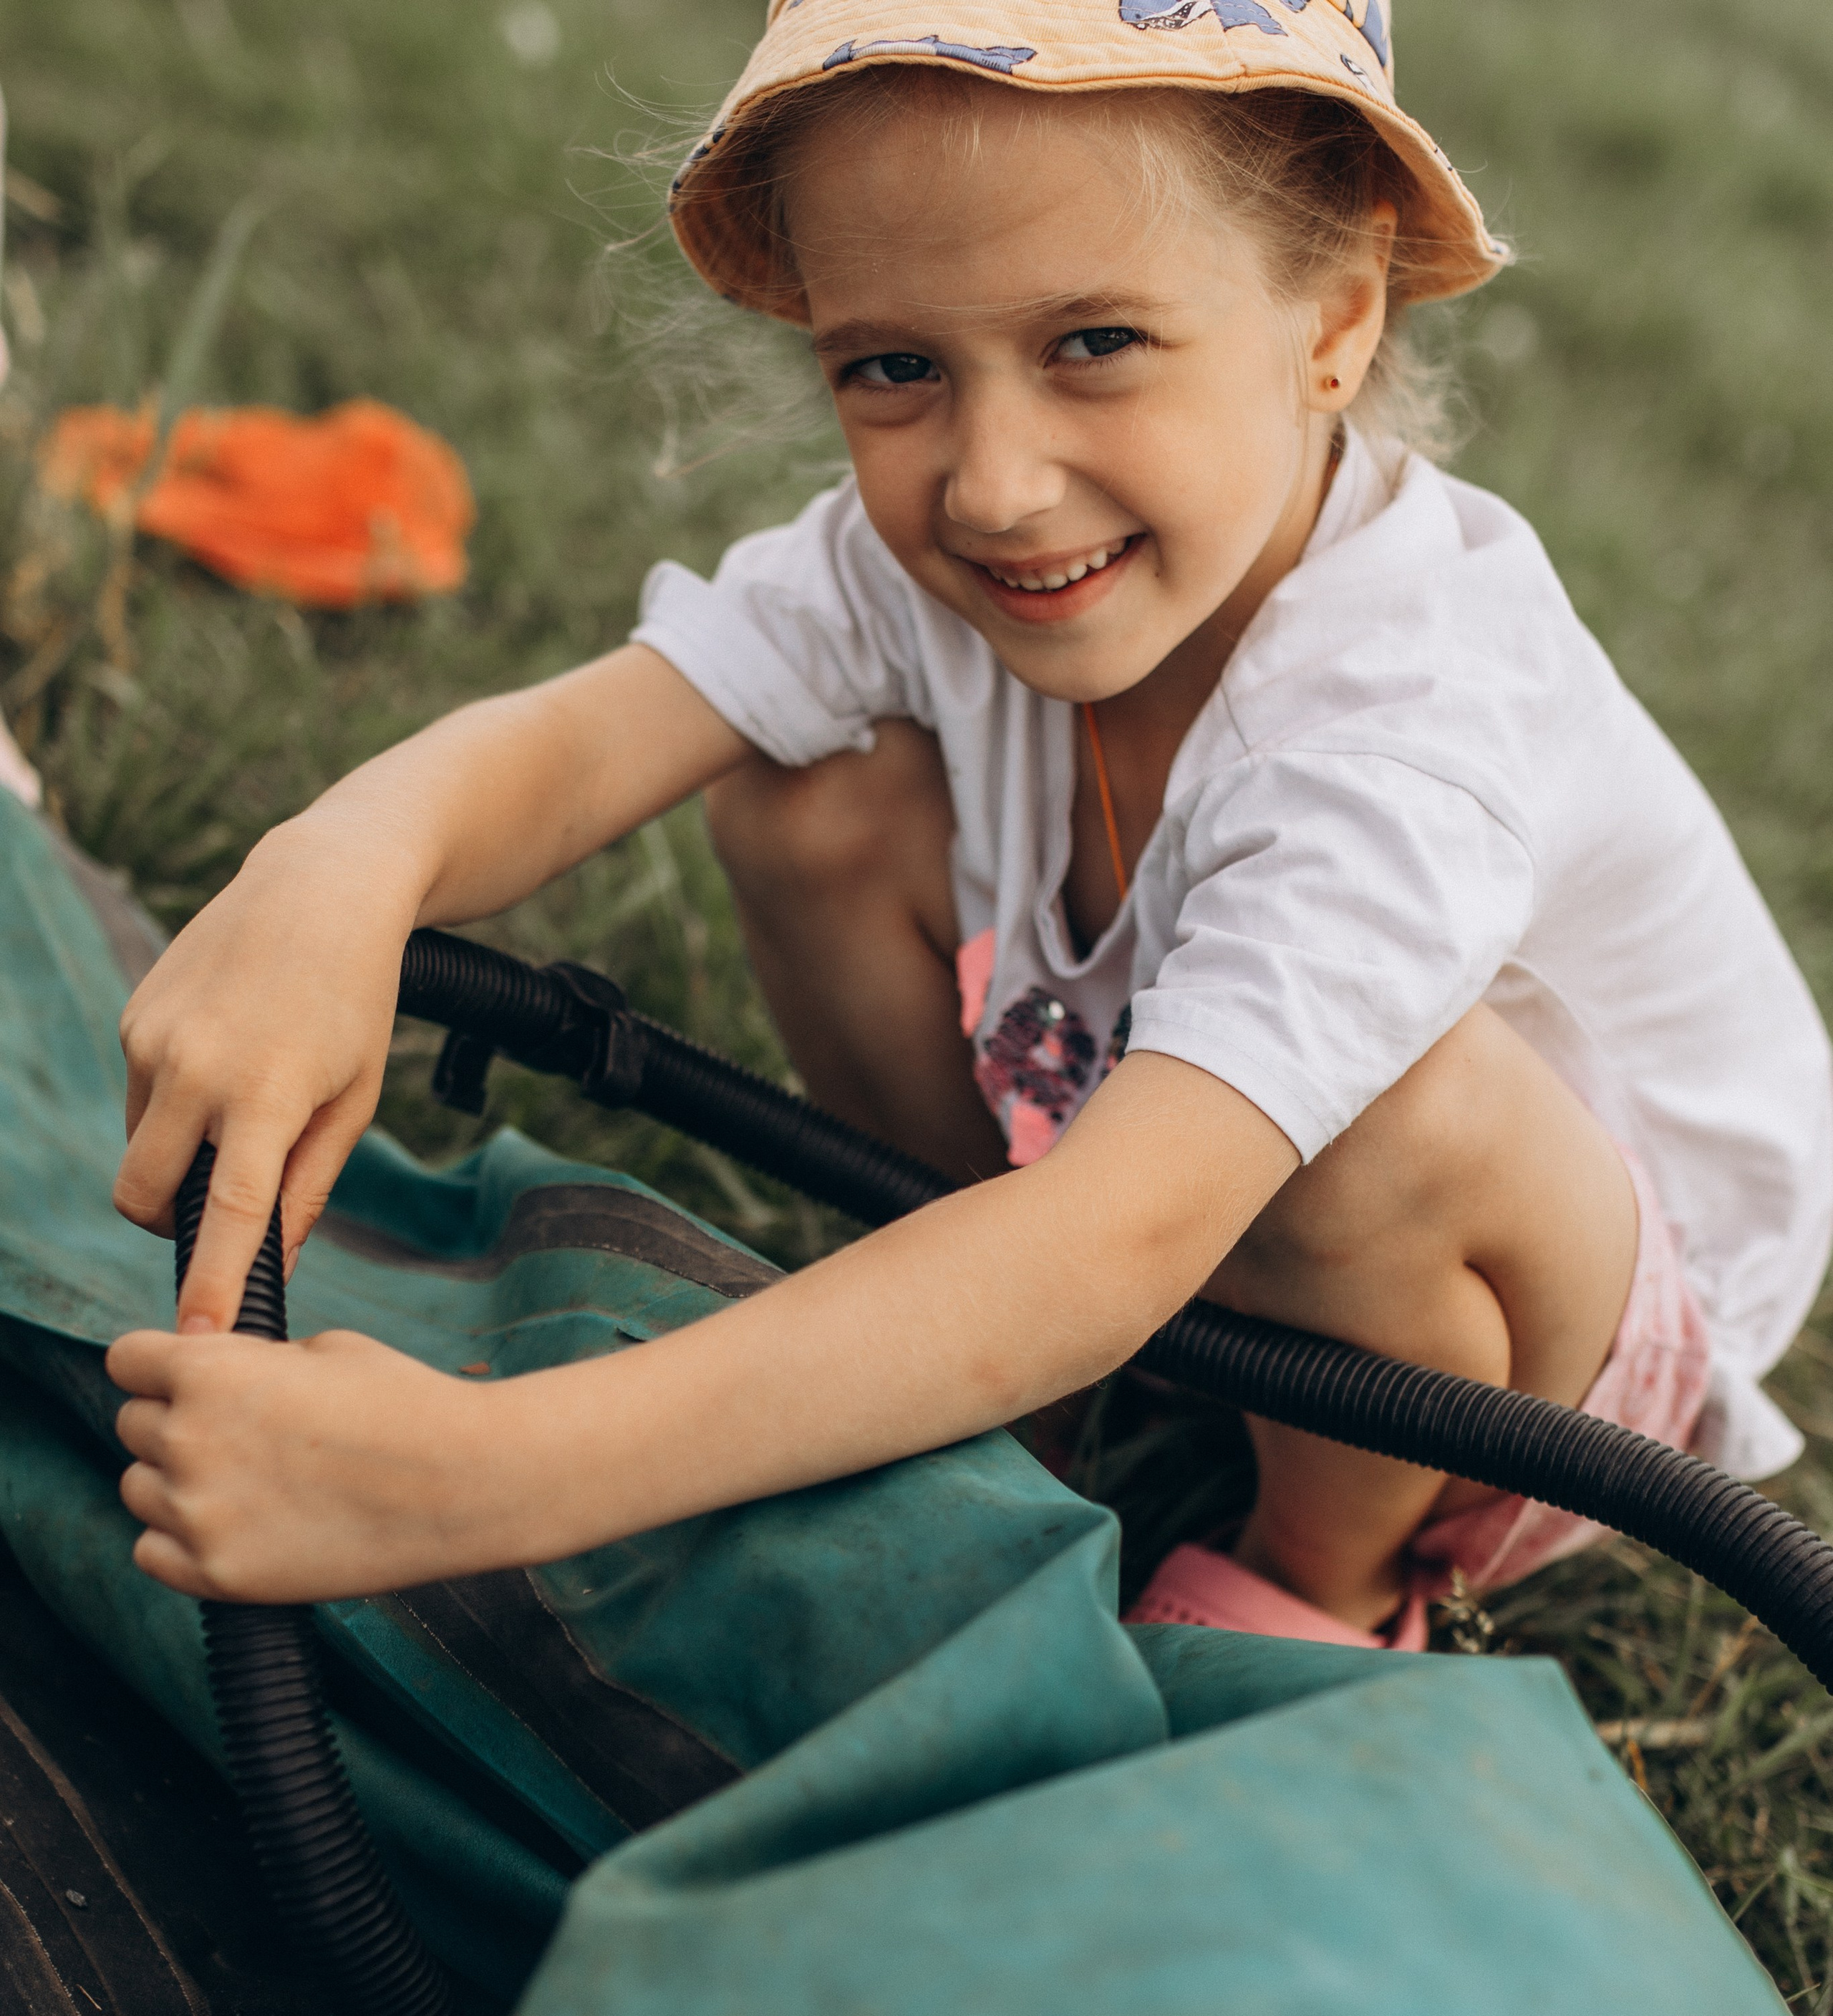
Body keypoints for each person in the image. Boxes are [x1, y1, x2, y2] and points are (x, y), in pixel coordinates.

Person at [104, 0, 1832, 1650]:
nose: (993, 484)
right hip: (1154, 1195)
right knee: (802, 794)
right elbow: (587, 741)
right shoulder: (973, 562)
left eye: (1095, 345)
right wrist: (335, 871)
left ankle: (1319, 1565)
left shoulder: (1400, 732)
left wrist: (485, 1475)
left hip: (1525, 1363)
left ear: (1332, 316)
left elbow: (1115, 1241)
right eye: (893, 367)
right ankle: (1005, 1379)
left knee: (1378, 1113)